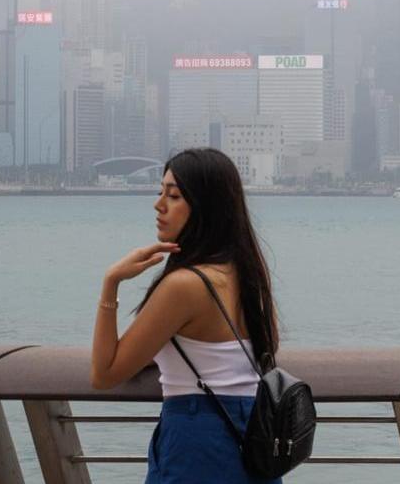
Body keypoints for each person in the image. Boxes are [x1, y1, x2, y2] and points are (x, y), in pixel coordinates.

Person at [90, 148, 281, 483]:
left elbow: (104, 373)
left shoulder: (185, 285)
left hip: (198, 437)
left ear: (205, 207)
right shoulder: (247, 273)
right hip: (255, 437)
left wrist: (111, 283)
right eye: (161, 191)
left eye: (173, 195)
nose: (159, 204)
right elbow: (257, 347)